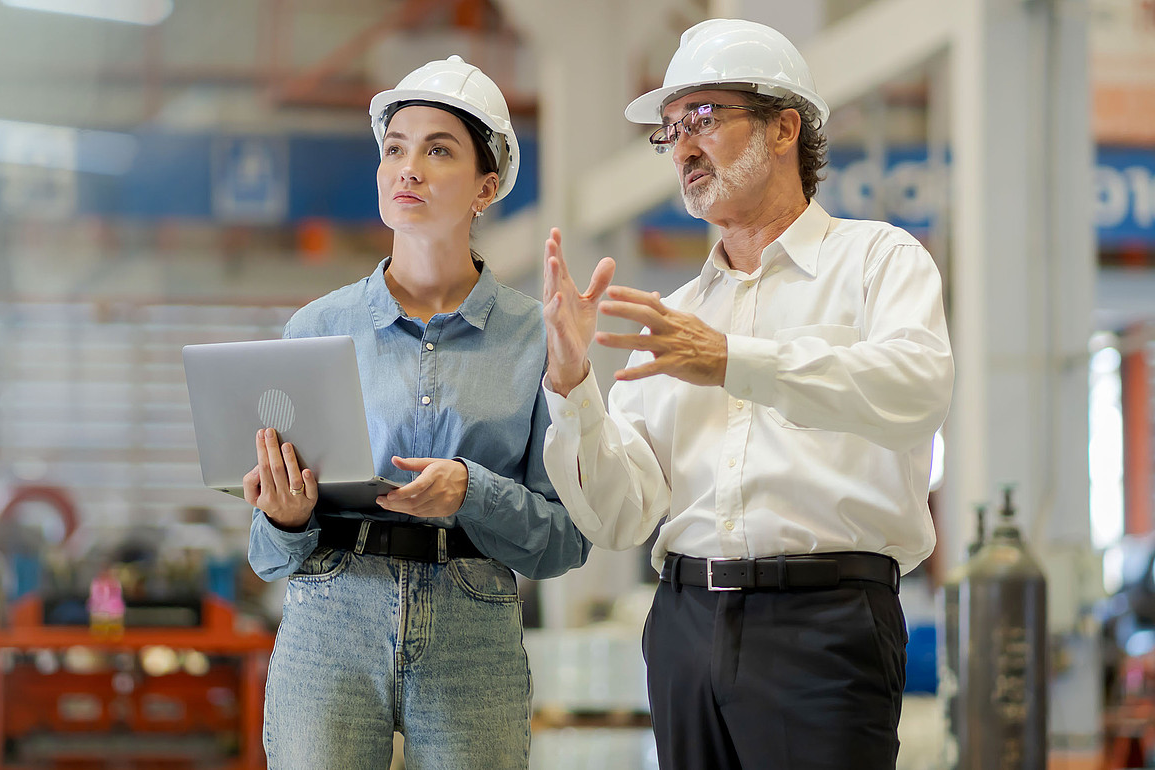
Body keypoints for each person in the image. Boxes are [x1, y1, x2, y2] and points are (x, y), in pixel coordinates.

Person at [538, 19, 954, 770]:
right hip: (684, 628)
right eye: (671, 131)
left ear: (784, 126)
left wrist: (733, 360)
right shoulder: (679, 317)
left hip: (825, 625)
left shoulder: (875, 262)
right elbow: (621, 513)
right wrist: (572, 390)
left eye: (705, 118)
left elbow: (916, 389)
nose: (685, 148)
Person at [246, 55, 590, 769]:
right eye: (396, 149)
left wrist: (475, 490)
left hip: (476, 621)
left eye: (439, 150)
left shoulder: (537, 337)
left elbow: (565, 541)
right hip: (330, 614)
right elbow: (267, 556)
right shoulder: (316, 328)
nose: (409, 168)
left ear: (485, 187)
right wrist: (283, 517)